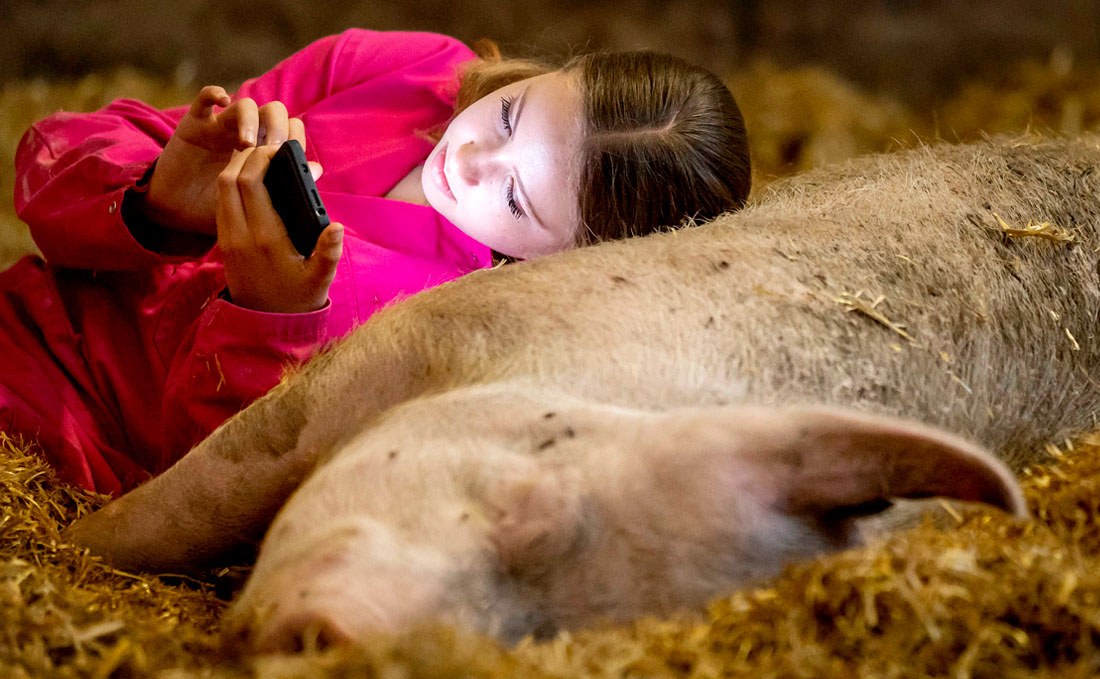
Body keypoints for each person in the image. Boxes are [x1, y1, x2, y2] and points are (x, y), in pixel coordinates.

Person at [8, 29, 752, 494]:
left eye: (517, 199)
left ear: (577, 261)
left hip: (70, 454)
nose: (471, 157)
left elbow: (218, 496)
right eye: (509, 115)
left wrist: (270, 317)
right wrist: (157, 200)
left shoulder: (472, 338)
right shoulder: (416, 71)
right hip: (25, 308)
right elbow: (47, 164)